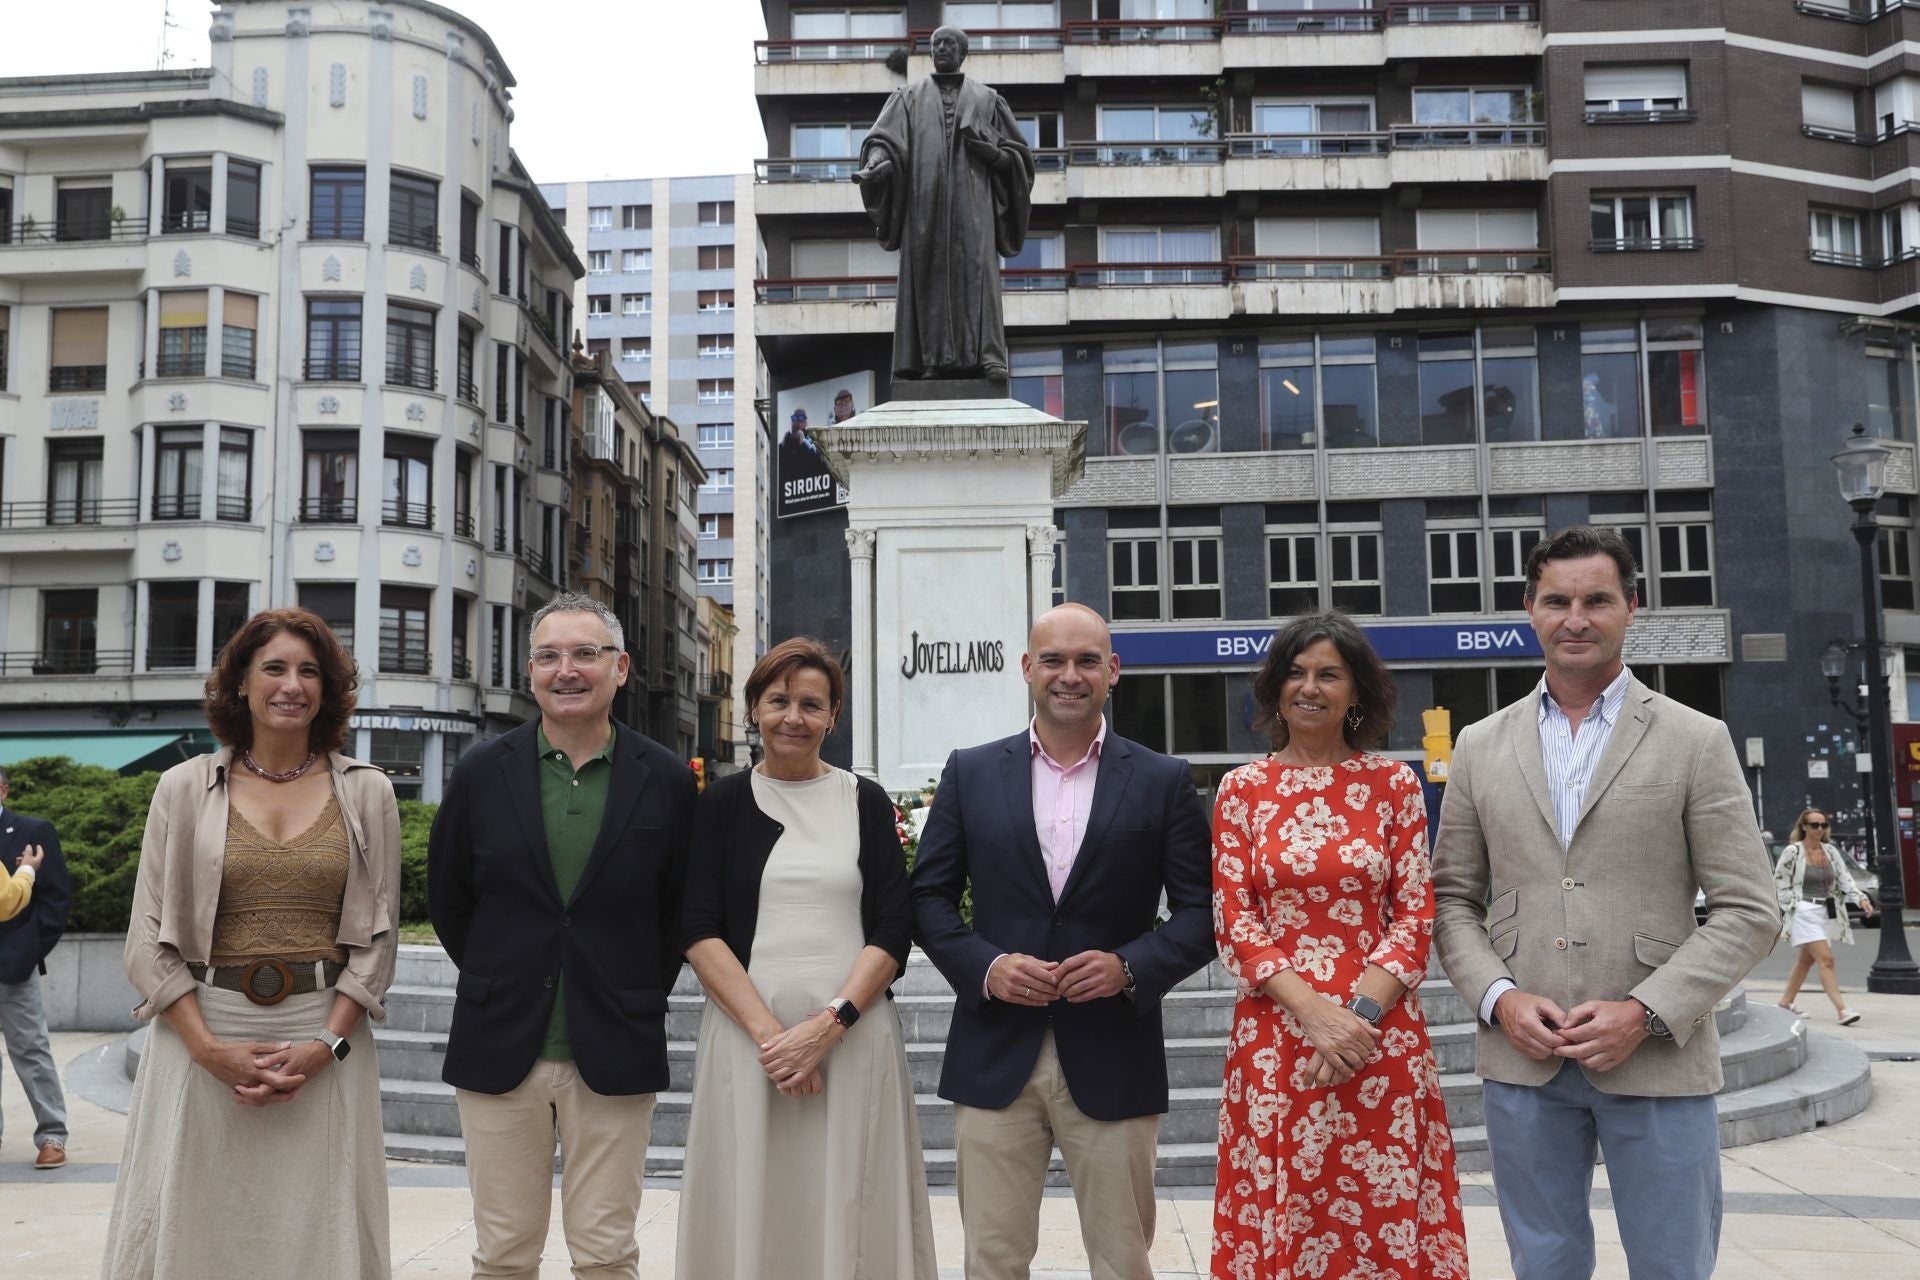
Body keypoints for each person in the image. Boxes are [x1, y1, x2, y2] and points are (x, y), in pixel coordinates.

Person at [1432, 526, 1778, 1280]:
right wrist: (1499, 998)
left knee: (1672, 1263)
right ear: (1530, 610)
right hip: (1524, 1059)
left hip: (1656, 1057)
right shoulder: (1481, 746)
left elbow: (1751, 909)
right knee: (1544, 1264)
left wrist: (1646, 1011)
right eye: (1557, 601)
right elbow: (1452, 898)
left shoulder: (1696, 739)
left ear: (1632, 608)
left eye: (1597, 599)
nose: (1576, 617)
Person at [909, 603, 1214, 1280]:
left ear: (1114, 671)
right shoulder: (971, 771)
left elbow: (1203, 914)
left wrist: (1128, 966)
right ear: (1027, 669)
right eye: (1053, 659)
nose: (1068, 675)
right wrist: (985, 966)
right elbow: (926, 899)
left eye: (1085, 661)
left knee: (1122, 1260)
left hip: (1114, 1052)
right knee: (992, 1259)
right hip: (994, 1054)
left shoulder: (1163, 781)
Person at [101, 608, 400, 1277]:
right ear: (240, 683)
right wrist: (207, 1050)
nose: (291, 685)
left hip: (323, 1041)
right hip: (199, 1038)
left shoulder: (369, 792)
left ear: (327, 689)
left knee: (321, 1232)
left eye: (309, 671)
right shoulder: (181, 788)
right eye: (274, 668)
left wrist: (325, 1046)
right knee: (193, 1232)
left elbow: (379, 944)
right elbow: (146, 940)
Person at [429, 592, 697, 1280]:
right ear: (530, 672)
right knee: (503, 1253)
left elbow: (681, 911)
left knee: (607, 1253)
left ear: (621, 668)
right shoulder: (481, 772)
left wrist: (625, 985)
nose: (566, 670)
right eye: (549, 656)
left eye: (585, 653)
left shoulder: (665, 780)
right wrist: (508, 972)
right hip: (500, 1041)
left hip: (614, 1043)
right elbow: (450, 899)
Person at [1210, 612, 1468, 1280]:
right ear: (1274, 689)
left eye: (1329, 673)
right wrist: (1319, 1016)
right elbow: (1234, 921)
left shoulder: (1395, 786)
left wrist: (1359, 1018)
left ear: (1357, 692)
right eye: (1295, 673)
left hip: (1379, 1040)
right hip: (1277, 1042)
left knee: (1382, 1225)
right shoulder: (1242, 790)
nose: (1310, 687)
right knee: (1286, 1211)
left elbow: (1416, 913)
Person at [676, 637, 936, 1280]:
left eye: (811, 704)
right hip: (748, 1044)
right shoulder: (721, 805)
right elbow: (697, 926)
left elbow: (893, 926)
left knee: (853, 1200)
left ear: (833, 717)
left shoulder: (864, 802)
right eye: (778, 700)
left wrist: (826, 1028)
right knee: (752, 1198)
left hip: (852, 1038)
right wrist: (776, 1043)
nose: (794, 716)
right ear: (754, 710)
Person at [853, 24, 1035, 382]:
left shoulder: (988, 100)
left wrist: (995, 156)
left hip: (975, 209)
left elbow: (1020, 159)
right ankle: (930, 362)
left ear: (963, 51)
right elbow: (883, 139)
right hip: (926, 206)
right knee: (928, 275)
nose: (941, 49)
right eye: (936, 44)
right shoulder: (908, 98)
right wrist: (876, 161)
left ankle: (989, 359)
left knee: (979, 275)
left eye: (949, 43)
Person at [0, 764, 69, 1171]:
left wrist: (30, 950)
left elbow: (56, 898)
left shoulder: (33, 830)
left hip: (14, 965)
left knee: (31, 1050)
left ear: (3, 790)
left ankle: (52, 1134)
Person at [1774, 808, 1876, 1025]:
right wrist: (1790, 904)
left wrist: (1861, 899)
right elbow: (1779, 880)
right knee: (1826, 959)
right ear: (1803, 826)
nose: (1819, 829)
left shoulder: (1830, 851)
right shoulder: (1793, 851)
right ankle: (1842, 1010)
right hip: (1803, 911)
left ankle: (1785, 1002)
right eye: (1814, 825)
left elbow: (1844, 878)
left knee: (1806, 960)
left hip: (1825, 912)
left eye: (1823, 825)